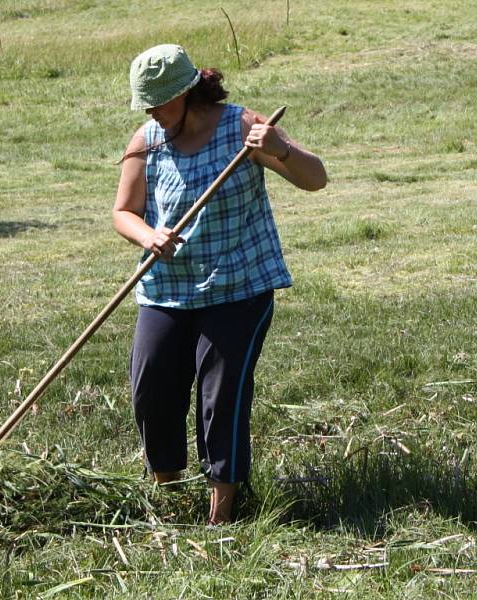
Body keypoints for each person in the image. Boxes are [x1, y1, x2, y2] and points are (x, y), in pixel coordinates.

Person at [113, 44, 327, 525]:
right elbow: (123, 212)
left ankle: (221, 516)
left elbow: (316, 179)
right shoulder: (147, 138)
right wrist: (150, 236)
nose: (152, 112)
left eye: (160, 102)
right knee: (152, 392)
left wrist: (280, 149)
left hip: (237, 288)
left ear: (190, 92)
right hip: (167, 289)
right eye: (145, 104)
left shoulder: (241, 128)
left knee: (221, 397)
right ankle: (166, 500)